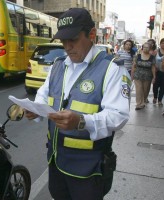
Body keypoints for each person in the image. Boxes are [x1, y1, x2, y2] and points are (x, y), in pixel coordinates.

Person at [24, 8, 131, 200]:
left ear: (91, 35)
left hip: (88, 168)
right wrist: (35, 110)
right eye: (63, 40)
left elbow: (118, 116)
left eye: (72, 39)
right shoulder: (58, 65)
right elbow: (43, 96)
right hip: (56, 160)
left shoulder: (112, 69)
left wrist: (81, 121)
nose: (67, 46)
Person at [131, 42, 156, 110]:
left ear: (150, 48)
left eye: (147, 47)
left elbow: (153, 67)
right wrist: (132, 76)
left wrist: (154, 77)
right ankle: (139, 104)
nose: (145, 49)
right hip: (138, 76)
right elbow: (134, 66)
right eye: (144, 47)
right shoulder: (137, 56)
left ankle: (143, 101)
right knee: (139, 90)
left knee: (146, 90)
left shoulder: (152, 57)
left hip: (148, 76)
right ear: (142, 48)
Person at [153, 38, 164, 106]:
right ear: (160, 44)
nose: (163, 44)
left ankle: (160, 100)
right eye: (162, 43)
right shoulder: (156, 51)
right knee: (155, 86)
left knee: (163, 87)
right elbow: (152, 60)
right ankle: (155, 97)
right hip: (156, 71)